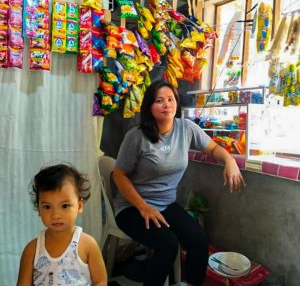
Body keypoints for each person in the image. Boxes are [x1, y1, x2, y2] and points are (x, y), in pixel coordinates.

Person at [112, 80, 245, 286]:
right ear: (149, 107)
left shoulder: (186, 128)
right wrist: (143, 206)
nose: (167, 104)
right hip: (132, 207)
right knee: (168, 244)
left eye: (170, 99)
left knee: (199, 240)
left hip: (165, 204)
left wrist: (229, 159)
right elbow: (118, 174)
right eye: (159, 100)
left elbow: (212, 148)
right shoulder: (136, 137)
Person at [17, 164, 107, 286]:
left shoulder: (88, 245)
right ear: (39, 209)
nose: (56, 215)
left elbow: (100, 281)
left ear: (79, 206)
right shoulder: (32, 250)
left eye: (65, 206)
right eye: (47, 207)